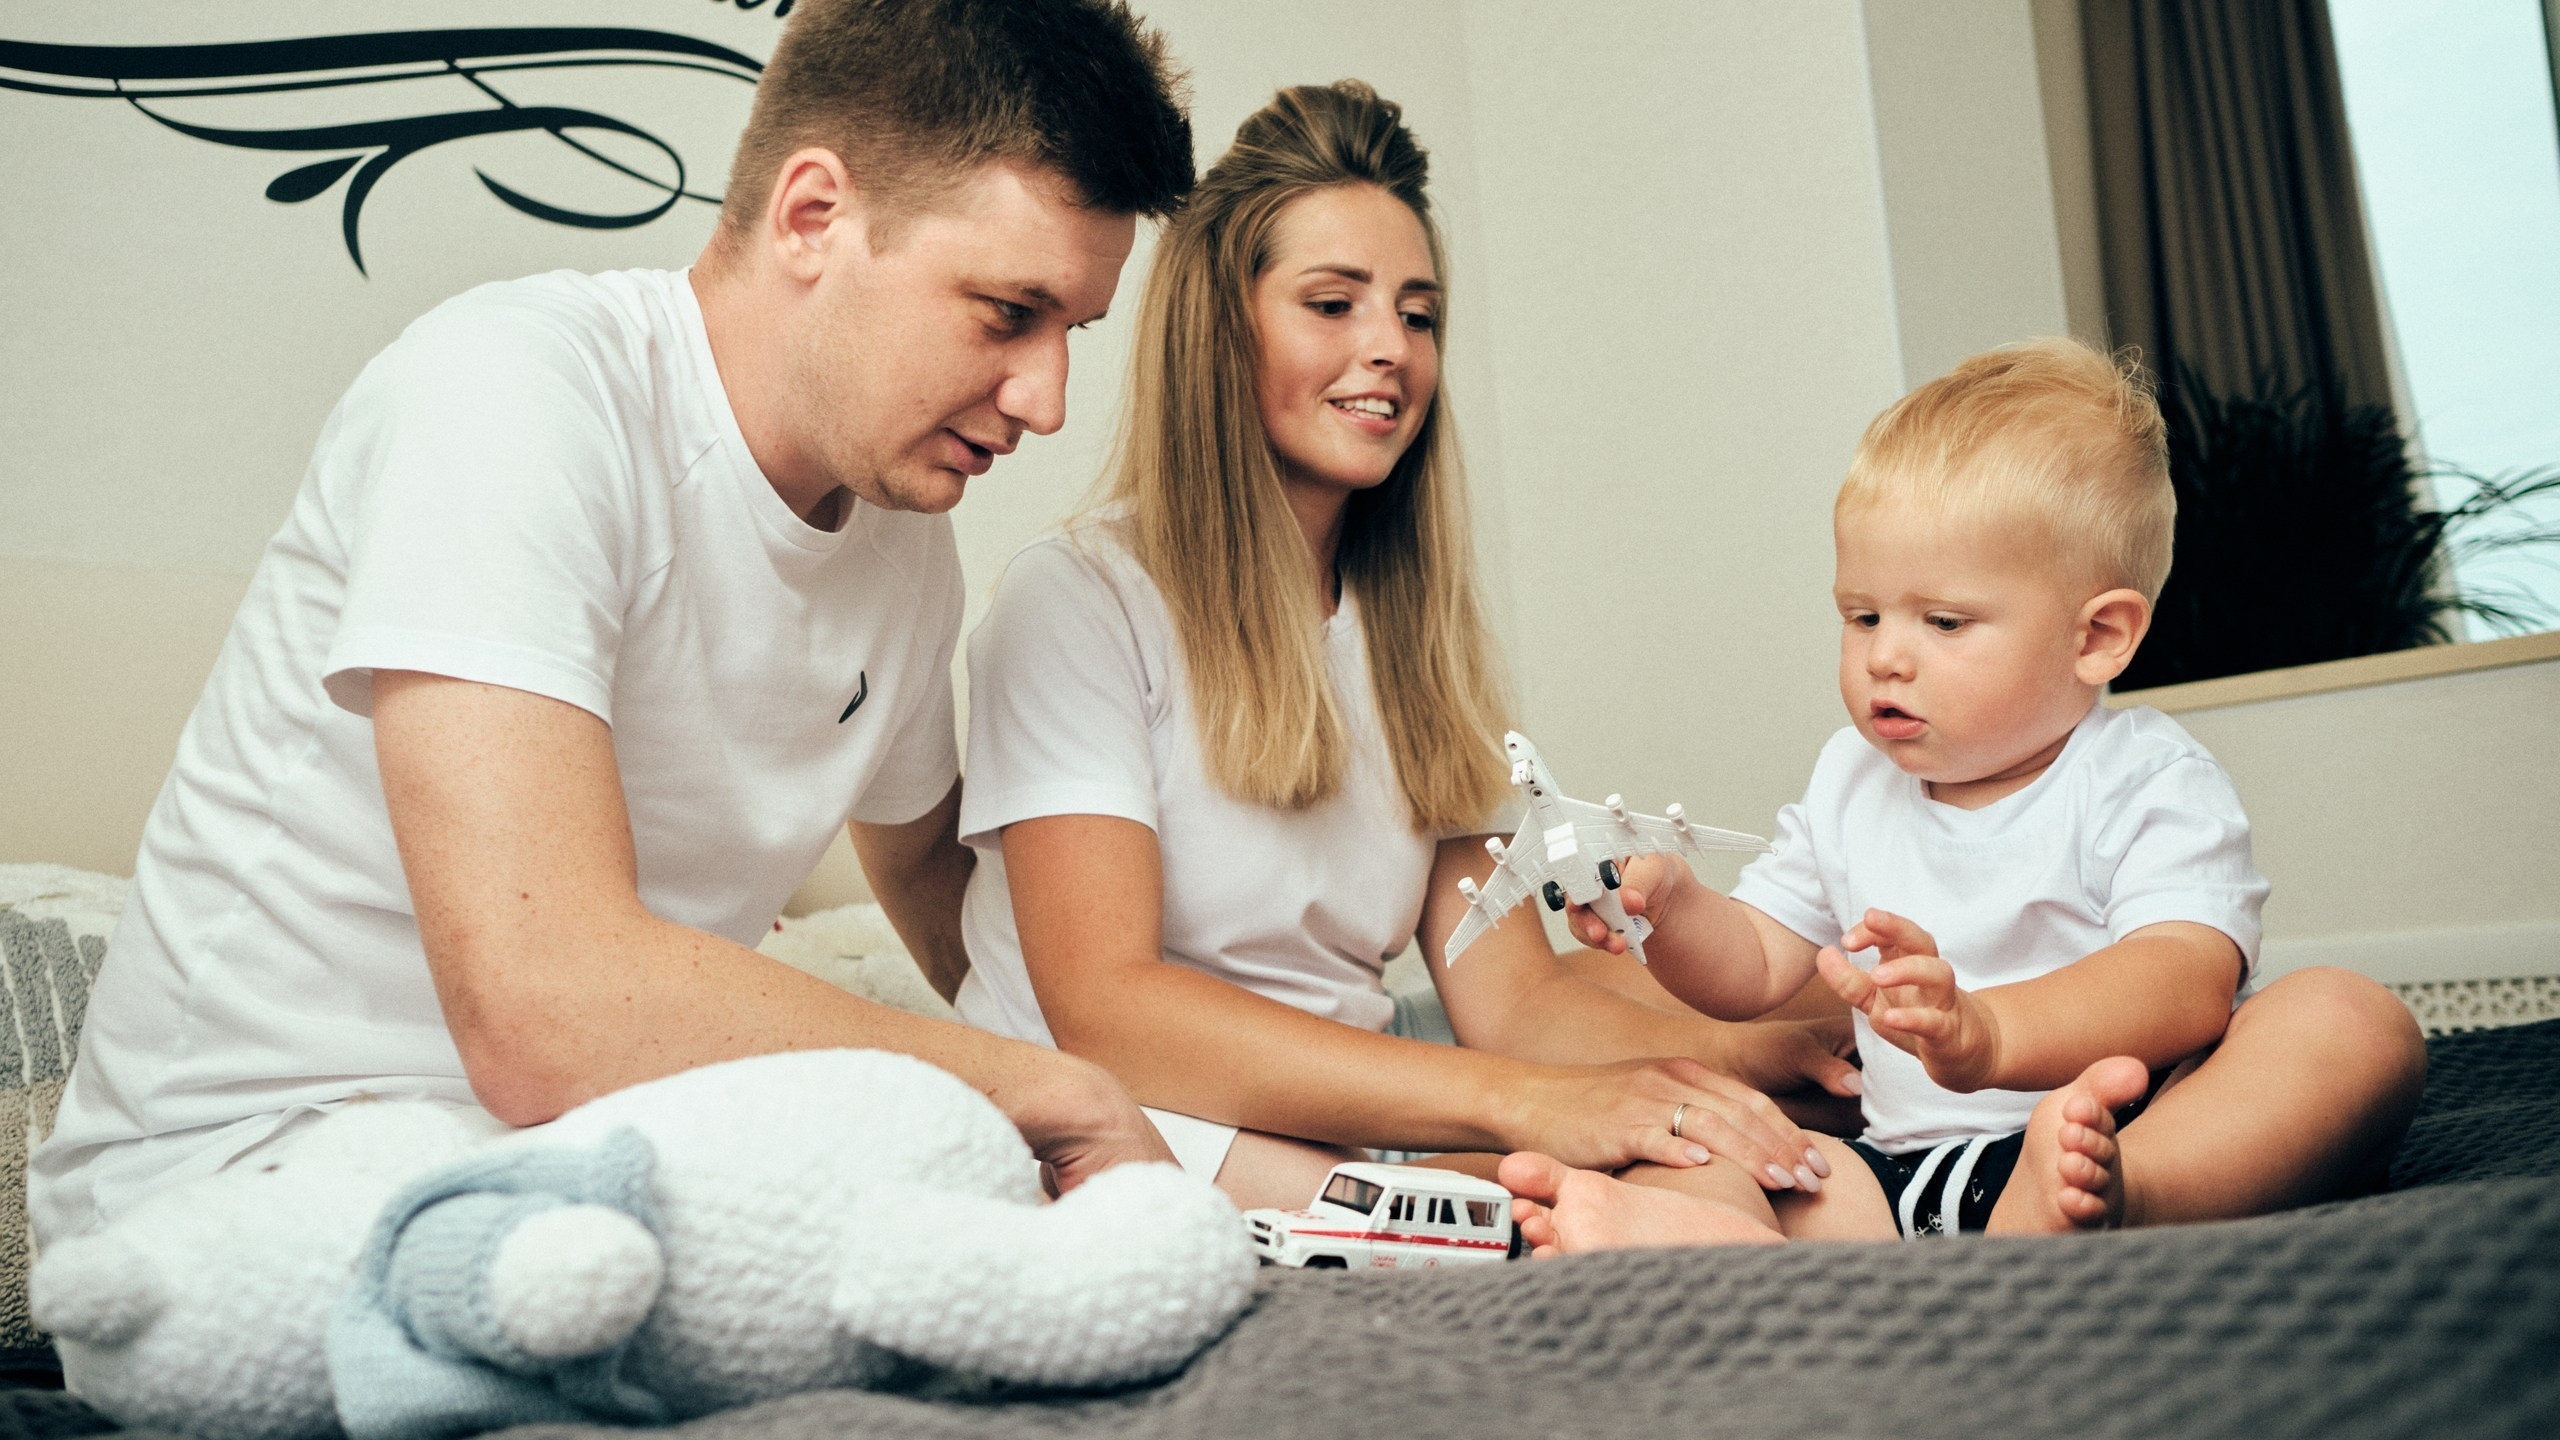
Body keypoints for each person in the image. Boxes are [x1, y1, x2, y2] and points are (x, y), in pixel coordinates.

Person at [32, 0, 1196, 1252]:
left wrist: (1154, 1067)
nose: (1047, 399)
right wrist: (1031, 1089)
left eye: (1070, 331)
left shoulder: (902, 545)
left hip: (592, 1163)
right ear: (814, 216)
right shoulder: (513, 393)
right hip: (245, 1173)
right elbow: (546, 1009)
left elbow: (929, 875)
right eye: (1005, 313)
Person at [951, 80, 1863, 1212]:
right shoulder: (1077, 602)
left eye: (1418, 315)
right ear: (1219, 329)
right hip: (1140, 1130)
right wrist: (1514, 1106)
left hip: (1347, 1128)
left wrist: (1724, 1063)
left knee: (1745, 1177)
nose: (1390, 348)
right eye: (1333, 304)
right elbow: (1110, 1010)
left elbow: (1512, 1003)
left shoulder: (1411, 639)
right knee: (1626, 1218)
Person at [1503, 340, 2428, 1250]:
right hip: (1903, 1177)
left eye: (1942, 621)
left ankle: (2131, 1205)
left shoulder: (2145, 776)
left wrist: (1990, 1033)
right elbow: (1752, 966)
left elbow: (2184, 982)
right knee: (1713, 1144)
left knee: (2350, 1022)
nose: (1884, 656)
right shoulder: (1849, 781)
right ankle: (1721, 1239)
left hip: (2119, 1135)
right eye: (1861, 615)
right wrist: (1668, 913)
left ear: (2098, 637)